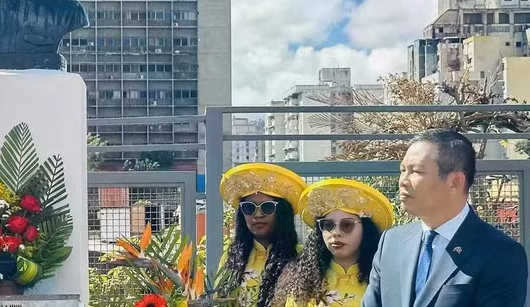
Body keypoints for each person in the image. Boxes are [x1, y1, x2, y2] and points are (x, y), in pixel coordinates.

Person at [363, 129, 528, 307]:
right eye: (402, 170)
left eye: (416, 171)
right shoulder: (391, 242)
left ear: (455, 181)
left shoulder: (500, 253)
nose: (403, 180)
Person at [272, 179, 394, 307]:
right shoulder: (302, 282)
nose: (336, 233)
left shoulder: (384, 280)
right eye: (328, 225)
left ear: (366, 229)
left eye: (346, 225)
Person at [219, 163, 307, 307]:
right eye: (249, 208)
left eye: (267, 207)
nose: (258, 215)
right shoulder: (231, 257)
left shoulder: (300, 258)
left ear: (282, 213)